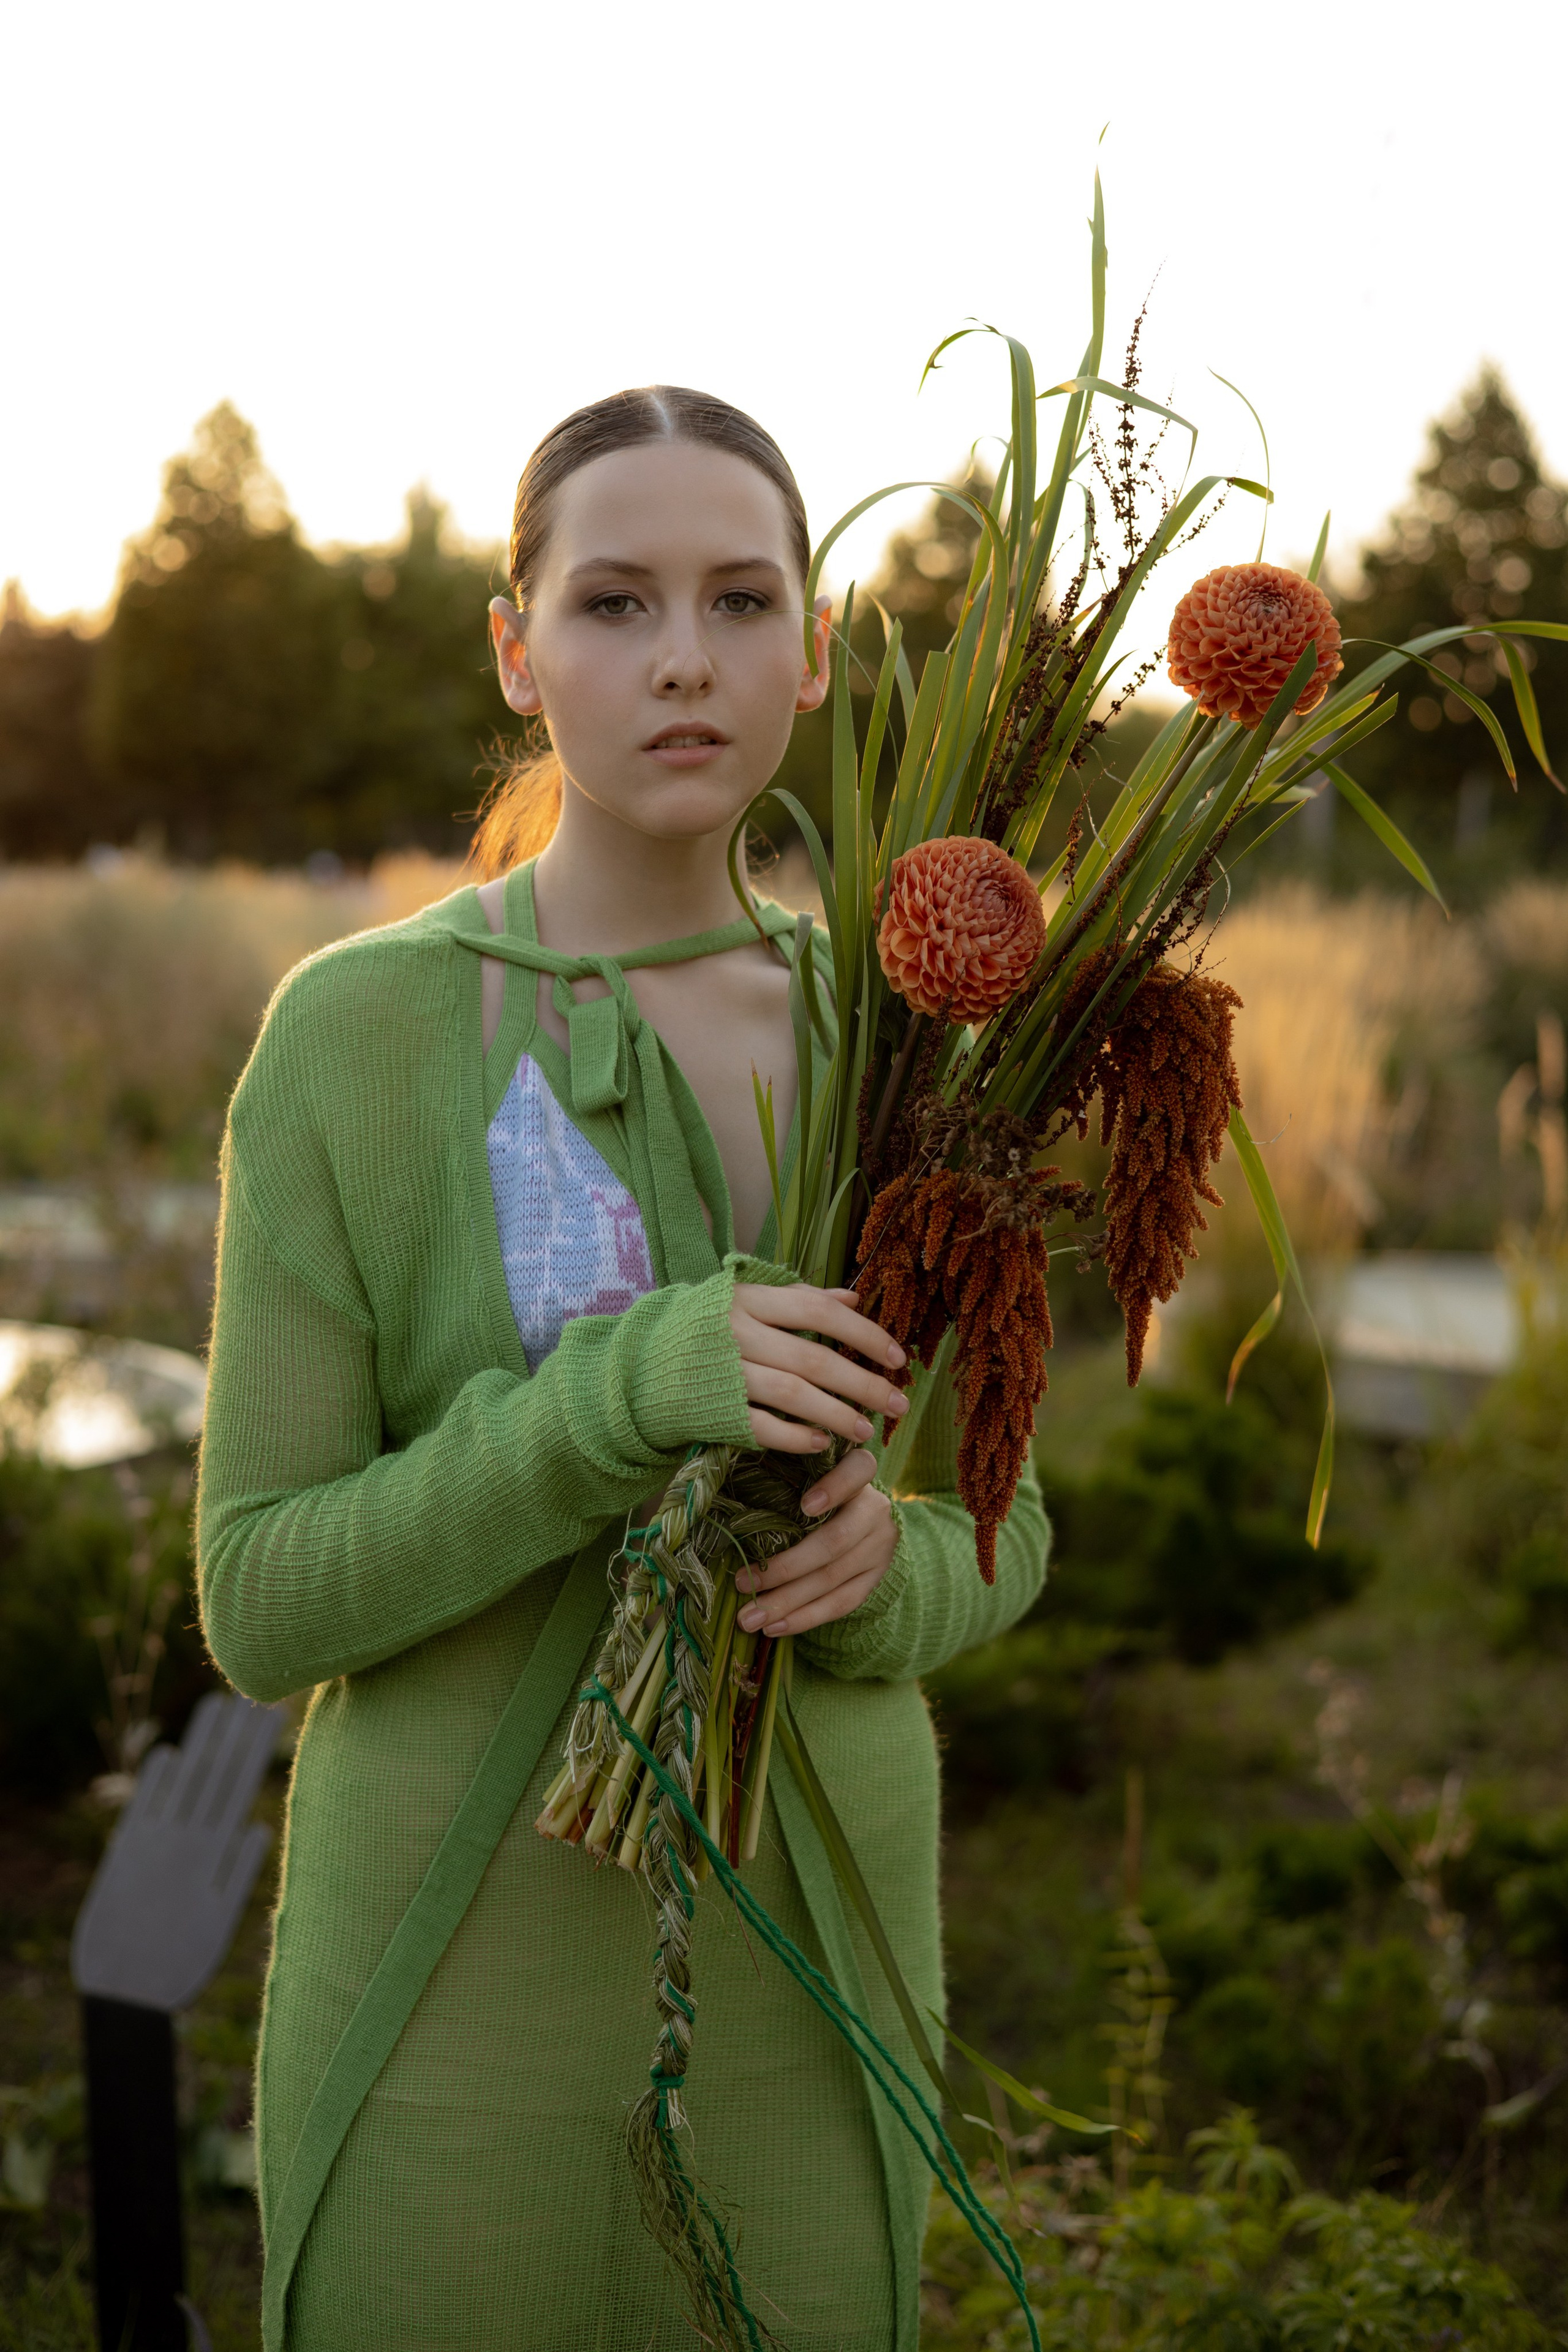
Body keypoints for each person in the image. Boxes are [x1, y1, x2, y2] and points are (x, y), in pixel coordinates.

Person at [197, 385, 1049, 2352]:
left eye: (746, 600)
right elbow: (261, 1598)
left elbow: (1009, 1527)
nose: (686, 659)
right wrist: (613, 1399)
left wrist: (889, 1575)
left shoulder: (918, 1040)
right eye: (616, 603)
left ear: (820, 653)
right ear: (519, 647)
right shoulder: (358, 1037)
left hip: (814, 1978)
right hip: (449, 1980)